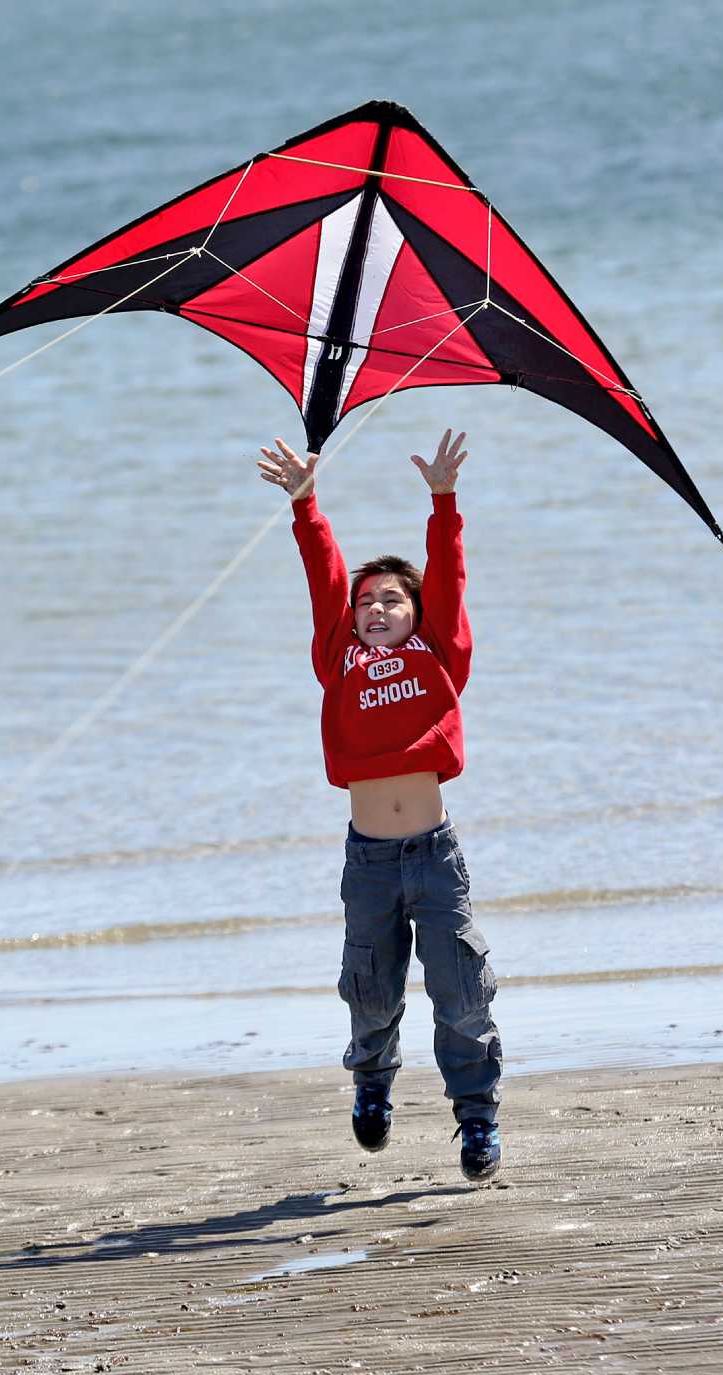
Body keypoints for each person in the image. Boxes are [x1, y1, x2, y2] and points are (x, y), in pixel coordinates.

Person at [256, 428, 503, 1181]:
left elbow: (451, 580)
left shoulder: (439, 654)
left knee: (460, 990)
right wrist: (307, 507)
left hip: (434, 854)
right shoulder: (341, 662)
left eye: (391, 599)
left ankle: (477, 1124)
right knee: (369, 990)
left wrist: (443, 501)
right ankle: (372, 1083)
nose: (374, 607)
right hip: (367, 860)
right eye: (366, 602)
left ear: (416, 612)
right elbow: (324, 581)